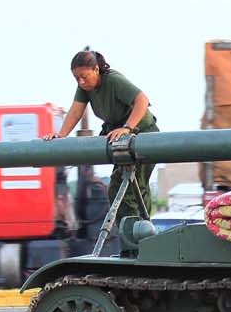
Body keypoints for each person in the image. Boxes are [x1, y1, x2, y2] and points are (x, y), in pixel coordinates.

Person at [44, 47, 159, 227]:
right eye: (76, 78)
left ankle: (138, 237)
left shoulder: (112, 80)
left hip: (143, 134)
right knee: (121, 187)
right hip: (122, 138)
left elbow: (142, 100)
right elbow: (76, 110)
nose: (81, 82)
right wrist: (61, 135)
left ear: (96, 70)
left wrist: (127, 127)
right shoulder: (85, 87)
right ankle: (132, 235)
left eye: (84, 76)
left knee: (131, 188)